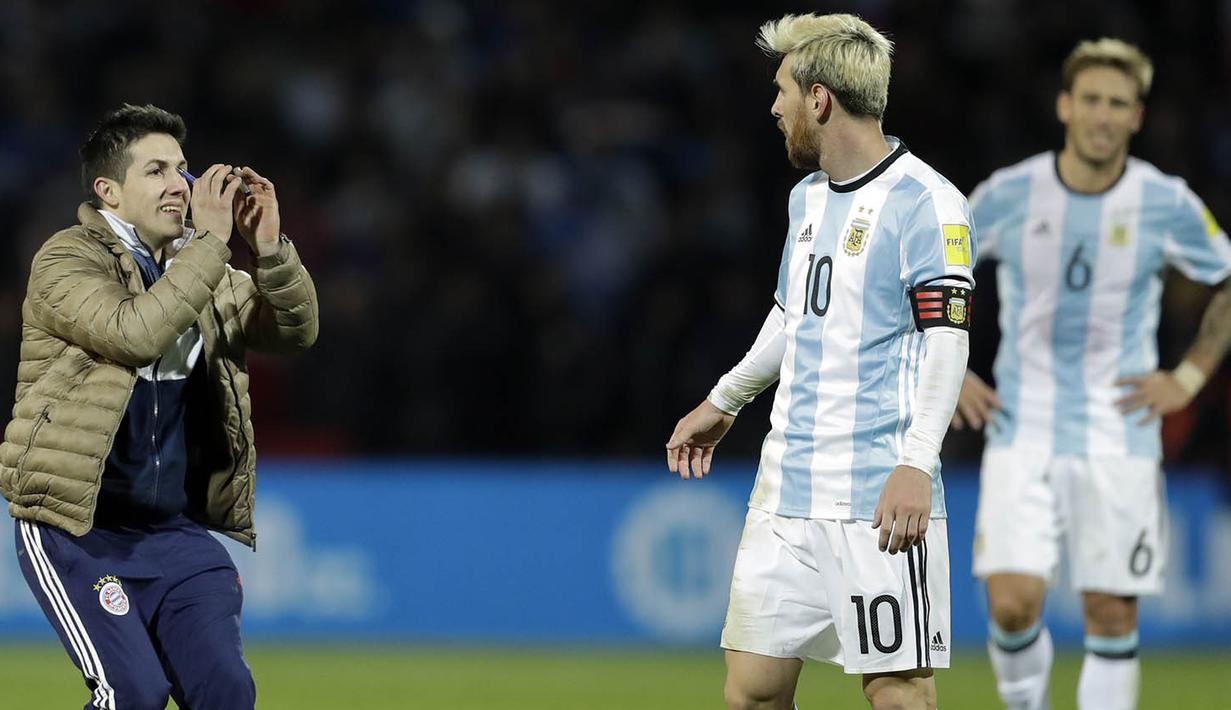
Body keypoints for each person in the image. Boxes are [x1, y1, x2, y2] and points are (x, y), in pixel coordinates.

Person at [665, 14, 974, 710]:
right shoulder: (804, 199)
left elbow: (946, 341)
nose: (773, 107)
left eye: (781, 90)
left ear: (819, 98)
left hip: (875, 493)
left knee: (898, 696)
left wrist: (915, 463)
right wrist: (725, 399)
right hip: (784, 492)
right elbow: (791, 315)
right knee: (752, 693)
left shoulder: (929, 202)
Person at [0, 103, 319, 710]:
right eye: (157, 171)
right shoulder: (65, 260)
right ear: (109, 192)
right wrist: (212, 244)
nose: (181, 184)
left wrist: (271, 248)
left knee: (226, 690)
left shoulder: (199, 268)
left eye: (182, 167)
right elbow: (136, 331)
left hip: (172, 532)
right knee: (133, 696)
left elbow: (294, 331)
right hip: (75, 529)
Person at [957, 39, 1231, 710]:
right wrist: (952, 367)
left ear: (1136, 117)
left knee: (1110, 612)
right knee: (1013, 603)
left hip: (1119, 434)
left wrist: (1188, 378)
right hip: (1021, 427)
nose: (1102, 116)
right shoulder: (1010, 192)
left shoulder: (1162, 200)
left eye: (1117, 104)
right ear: (1064, 106)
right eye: (1090, 101)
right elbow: (930, 266)